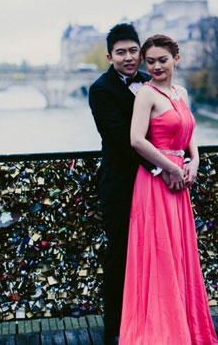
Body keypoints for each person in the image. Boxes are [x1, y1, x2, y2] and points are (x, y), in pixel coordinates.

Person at [120, 34, 218, 344]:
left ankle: (184, 327)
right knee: (160, 254)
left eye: (162, 60)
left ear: (176, 58)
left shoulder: (182, 93)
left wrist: (195, 161)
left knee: (179, 255)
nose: (156, 66)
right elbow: (136, 139)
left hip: (180, 184)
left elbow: (190, 132)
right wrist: (171, 167)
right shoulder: (145, 95)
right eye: (150, 62)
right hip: (155, 183)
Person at [88, 24, 155, 345]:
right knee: (119, 256)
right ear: (109, 56)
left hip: (154, 183)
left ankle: (151, 321)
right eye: (121, 52)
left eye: (133, 51)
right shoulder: (100, 90)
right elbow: (120, 140)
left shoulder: (149, 82)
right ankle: (115, 328)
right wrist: (163, 167)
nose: (129, 58)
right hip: (121, 186)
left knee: (154, 254)